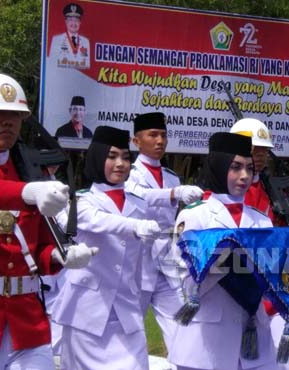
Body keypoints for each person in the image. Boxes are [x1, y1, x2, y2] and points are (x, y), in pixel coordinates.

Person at [0, 72, 96, 369]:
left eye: (15, 115)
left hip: (28, 325)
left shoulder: (29, 176)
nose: (8, 122)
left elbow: (38, 248)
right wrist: (27, 191)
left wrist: (61, 256)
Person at [51, 126, 162, 369]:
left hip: (126, 310)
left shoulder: (139, 204)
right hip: (86, 312)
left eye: (125, 156)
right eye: (112, 156)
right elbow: (95, 220)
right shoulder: (80, 201)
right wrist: (134, 226)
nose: (120, 163)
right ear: (98, 157)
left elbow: (141, 261)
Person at [168, 132, 278, 370]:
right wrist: (230, 262)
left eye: (249, 168)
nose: (244, 176)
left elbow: (271, 281)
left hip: (255, 341)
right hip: (206, 344)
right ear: (218, 167)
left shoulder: (262, 221)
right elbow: (185, 283)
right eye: (235, 167)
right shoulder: (194, 215)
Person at [126, 112, 203, 359]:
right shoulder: (129, 172)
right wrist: (173, 194)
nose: (159, 140)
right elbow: (138, 197)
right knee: (129, 326)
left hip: (168, 257)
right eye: (152, 135)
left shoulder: (170, 176)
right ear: (136, 141)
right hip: (139, 258)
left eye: (163, 135)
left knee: (181, 324)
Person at [231, 118, 289, 370]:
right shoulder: (226, 192)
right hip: (240, 291)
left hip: (275, 290)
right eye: (254, 150)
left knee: (285, 362)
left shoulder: (271, 188)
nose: (259, 157)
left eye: (263, 151)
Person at [49, 2, 90, 69]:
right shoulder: (56, 40)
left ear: (80, 22)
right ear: (66, 21)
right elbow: (52, 64)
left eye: (76, 20)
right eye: (70, 20)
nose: (74, 23)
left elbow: (87, 66)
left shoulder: (85, 42)